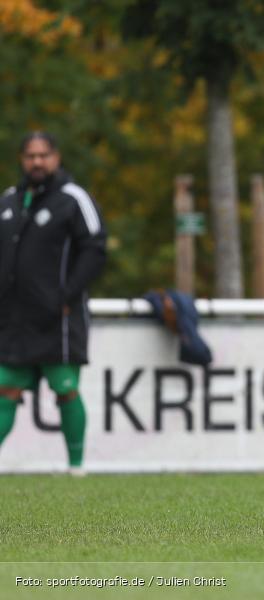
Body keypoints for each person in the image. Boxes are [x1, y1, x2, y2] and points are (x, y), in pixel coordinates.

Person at [0, 132, 107, 475]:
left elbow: (95, 248)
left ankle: (76, 467)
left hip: (57, 317)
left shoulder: (73, 199)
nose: (37, 162)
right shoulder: (9, 200)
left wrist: (67, 296)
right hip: (15, 319)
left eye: (43, 155)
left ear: (56, 157)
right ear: (21, 159)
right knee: (6, 388)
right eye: (30, 155)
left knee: (66, 389)